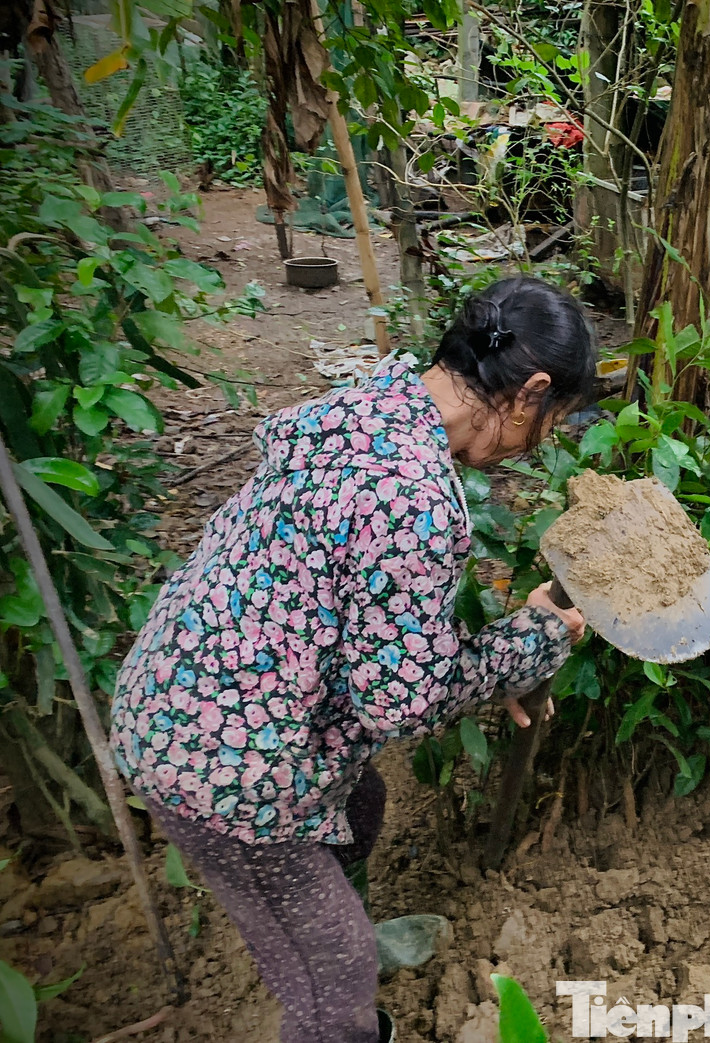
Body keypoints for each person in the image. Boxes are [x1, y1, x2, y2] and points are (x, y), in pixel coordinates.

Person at [109, 276, 595, 1043]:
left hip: (177, 693)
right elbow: (403, 700)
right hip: (223, 769)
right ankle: (329, 958)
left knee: (359, 804)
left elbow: (356, 614)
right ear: (531, 391)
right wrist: (530, 641)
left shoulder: (370, 403)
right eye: (553, 422)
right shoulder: (416, 494)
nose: (543, 441)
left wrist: (492, 665)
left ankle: (319, 918)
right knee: (336, 981)